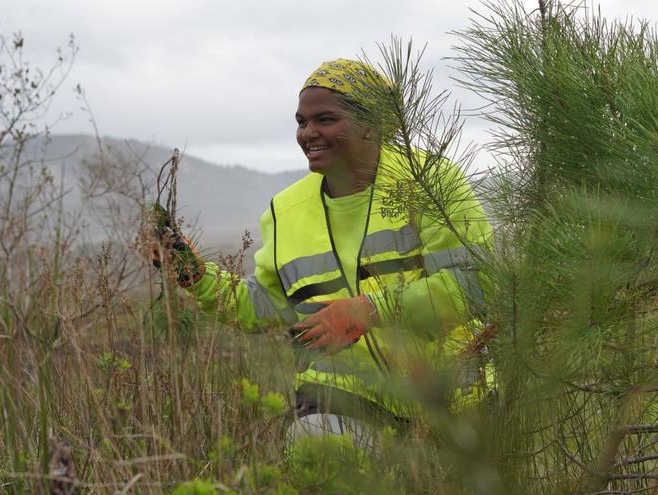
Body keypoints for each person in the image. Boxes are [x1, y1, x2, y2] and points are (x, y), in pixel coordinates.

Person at [156, 58, 494, 447]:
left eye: (326, 119)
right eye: (302, 122)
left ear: (373, 123)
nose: (308, 133)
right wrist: (197, 277)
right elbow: (267, 305)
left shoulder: (431, 181)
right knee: (316, 445)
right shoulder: (285, 211)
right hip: (342, 390)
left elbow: (475, 284)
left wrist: (369, 310)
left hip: (448, 388)